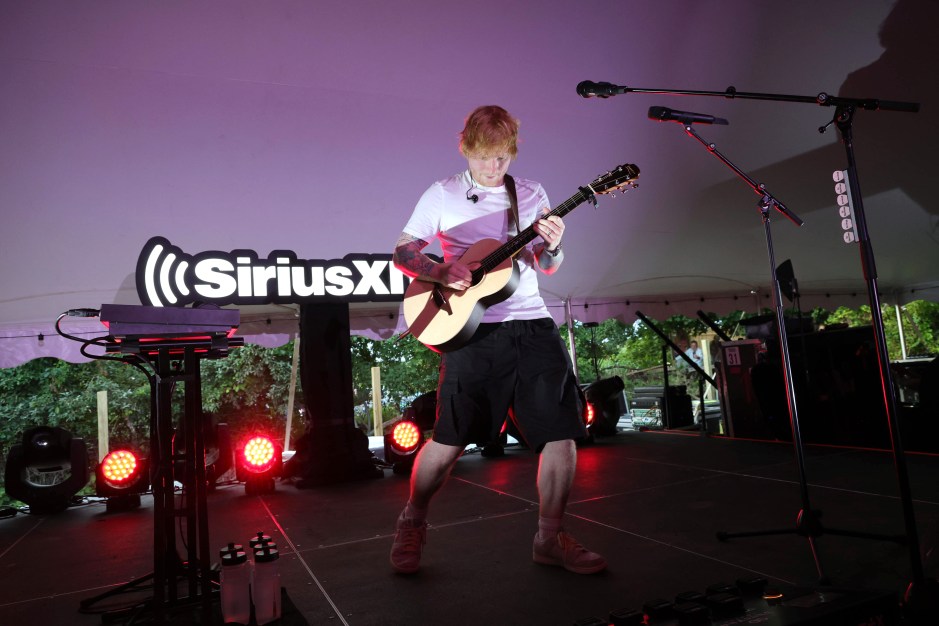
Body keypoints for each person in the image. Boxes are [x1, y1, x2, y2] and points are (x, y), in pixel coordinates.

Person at [388, 105, 606, 576]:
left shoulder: (530, 193)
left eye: (503, 158)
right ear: (466, 147)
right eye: (486, 157)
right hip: (471, 331)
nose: (494, 168)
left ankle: (549, 537)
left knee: (561, 433)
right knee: (447, 441)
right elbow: (403, 252)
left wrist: (553, 244)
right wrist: (440, 269)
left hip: (532, 322)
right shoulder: (441, 194)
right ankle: (413, 520)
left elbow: (546, 265)